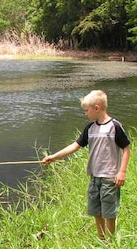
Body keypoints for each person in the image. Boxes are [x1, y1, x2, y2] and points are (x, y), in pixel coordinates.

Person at [42, 89, 131, 239]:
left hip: (110, 177)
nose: (85, 114)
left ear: (96, 108)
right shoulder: (90, 128)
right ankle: (101, 238)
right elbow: (75, 146)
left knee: (109, 211)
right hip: (94, 177)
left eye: (86, 110)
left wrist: (122, 172)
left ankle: (111, 240)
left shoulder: (114, 127)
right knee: (96, 210)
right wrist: (54, 157)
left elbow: (126, 149)